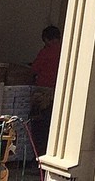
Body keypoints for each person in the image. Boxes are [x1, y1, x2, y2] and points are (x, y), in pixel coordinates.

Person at [30, 26, 61, 157]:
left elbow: (34, 69)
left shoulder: (46, 52)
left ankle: (38, 158)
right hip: (59, 92)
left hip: (44, 93)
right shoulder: (65, 50)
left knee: (38, 125)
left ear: (47, 39)